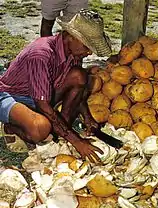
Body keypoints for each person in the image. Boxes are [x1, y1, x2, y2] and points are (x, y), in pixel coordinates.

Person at [0, 9, 112, 163]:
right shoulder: (41, 54)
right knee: (41, 128)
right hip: (10, 96)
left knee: (80, 76)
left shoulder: (73, 54)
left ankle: (60, 130)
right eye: (87, 46)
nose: (89, 53)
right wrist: (77, 141)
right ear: (71, 37)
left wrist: (87, 118)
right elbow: (43, 105)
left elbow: (77, 88)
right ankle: (10, 127)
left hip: (39, 95)